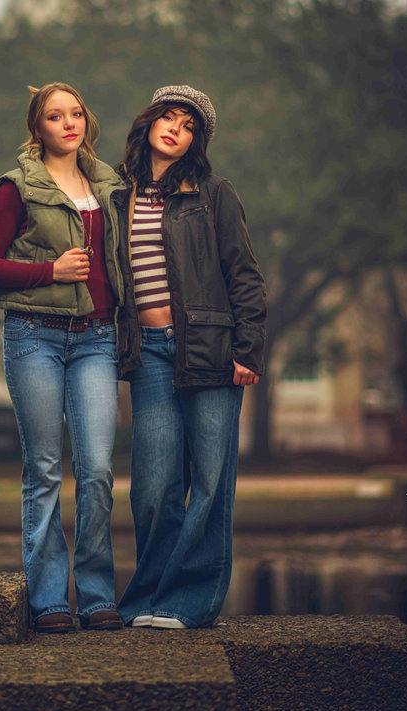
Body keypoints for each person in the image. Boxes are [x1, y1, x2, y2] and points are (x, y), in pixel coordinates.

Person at [0, 83, 127, 633]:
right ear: (36, 128)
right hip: (34, 336)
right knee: (43, 471)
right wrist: (50, 271)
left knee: (97, 472)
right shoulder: (17, 187)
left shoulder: (110, 184)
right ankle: (48, 601)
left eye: (77, 113)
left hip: (96, 340)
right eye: (55, 116)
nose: (69, 123)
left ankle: (96, 595)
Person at [114, 85, 267, 629]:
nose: (175, 128)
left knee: (209, 480)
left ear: (196, 141)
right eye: (168, 117)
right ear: (149, 122)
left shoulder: (213, 192)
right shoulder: (116, 193)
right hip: (149, 356)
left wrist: (247, 349)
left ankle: (187, 604)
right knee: (153, 485)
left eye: (188, 124)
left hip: (212, 350)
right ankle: (146, 599)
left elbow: (244, 276)